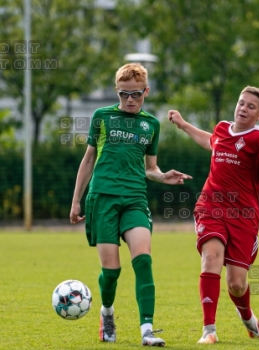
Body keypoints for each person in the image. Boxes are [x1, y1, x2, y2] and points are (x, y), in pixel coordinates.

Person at [69, 63, 192, 347]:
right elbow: (88, 160)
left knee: (144, 260)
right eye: (124, 94)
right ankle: (107, 313)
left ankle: (147, 330)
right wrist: (76, 200)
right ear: (117, 92)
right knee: (111, 272)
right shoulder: (102, 117)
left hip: (135, 199)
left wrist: (163, 176)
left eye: (136, 94)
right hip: (102, 199)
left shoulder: (151, 125)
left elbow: (150, 168)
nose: (130, 100)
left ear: (146, 91)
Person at [167, 86, 259, 344]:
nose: (243, 108)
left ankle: (249, 320)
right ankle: (209, 330)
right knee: (211, 259)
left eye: (251, 107)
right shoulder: (221, 129)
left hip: (243, 215)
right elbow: (210, 141)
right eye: (242, 103)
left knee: (237, 284)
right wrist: (183, 124)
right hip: (211, 206)